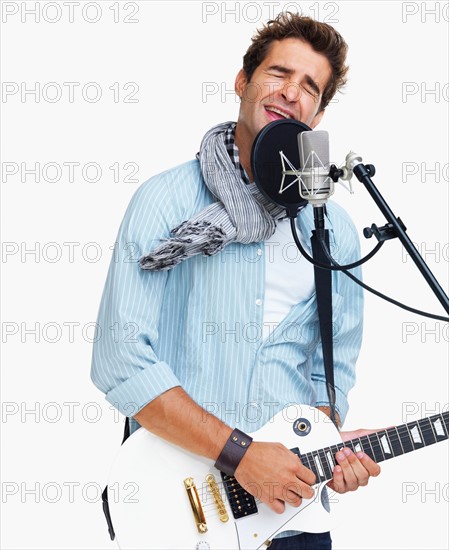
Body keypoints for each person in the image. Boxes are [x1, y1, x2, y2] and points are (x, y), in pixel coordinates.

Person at [91, 12, 381, 549]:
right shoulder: (166, 201)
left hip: (291, 518)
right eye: (279, 73)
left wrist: (324, 448)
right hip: (179, 510)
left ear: (316, 115)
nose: (291, 92)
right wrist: (242, 456)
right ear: (243, 81)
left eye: (310, 87)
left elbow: (329, 370)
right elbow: (120, 360)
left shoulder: (331, 229)